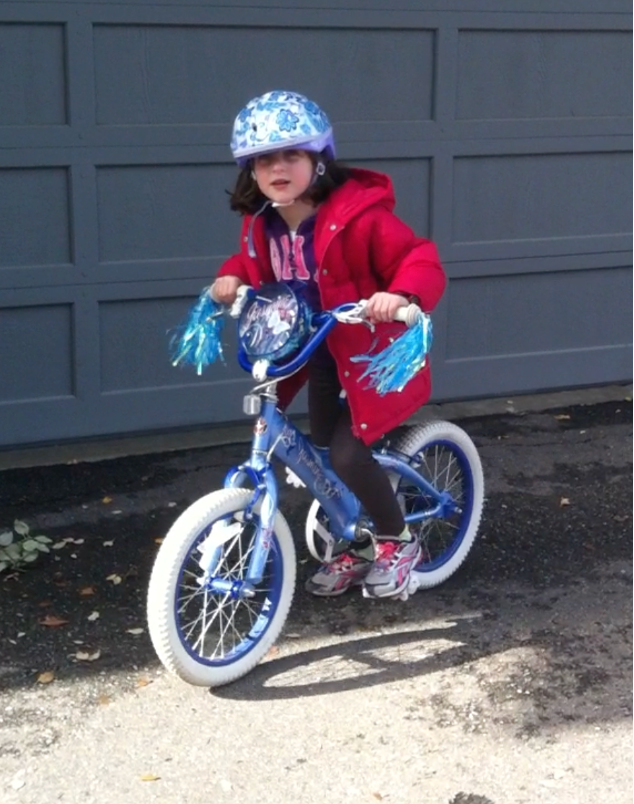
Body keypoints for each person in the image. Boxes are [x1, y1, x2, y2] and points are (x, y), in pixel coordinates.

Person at [212, 90, 446, 599]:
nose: (278, 168)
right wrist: (231, 278)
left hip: (366, 355)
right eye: (264, 159)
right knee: (320, 450)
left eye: (291, 155)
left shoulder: (361, 218)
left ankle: (397, 539)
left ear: (318, 160)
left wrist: (399, 294)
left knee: (346, 454)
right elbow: (254, 269)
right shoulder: (261, 225)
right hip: (312, 353)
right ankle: (358, 541)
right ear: (250, 171)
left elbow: (418, 256)